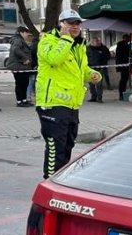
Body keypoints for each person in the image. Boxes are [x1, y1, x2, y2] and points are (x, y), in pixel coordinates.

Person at [35, 9, 102, 179]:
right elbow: (54, 59)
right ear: (61, 24)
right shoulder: (48, 41)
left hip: (72, 102)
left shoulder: (78, 45)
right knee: (55, 146)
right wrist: (65, 39)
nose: (75, 26)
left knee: (68, 143)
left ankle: (61, 179)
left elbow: (81, 69)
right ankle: (49, 181)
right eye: (71, 23)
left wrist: (93, 74)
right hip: (52, 102)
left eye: (78, 23)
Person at [8, 26, 35, 107]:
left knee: (24, 83)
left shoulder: (19, 40)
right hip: (18, 66)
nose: (27, 35)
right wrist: (25, 58)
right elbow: (15, 50)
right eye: (26, 33)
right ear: (21, 32)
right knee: (20, 84)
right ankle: (20, 101)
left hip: (22, 67)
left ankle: (24, 100)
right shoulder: (17, 40)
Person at [86, 37, 111, 102]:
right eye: (94, 41)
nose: (96, 42)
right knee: (91, 84)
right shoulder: (88, 48)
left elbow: (108, 56)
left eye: (97, 41)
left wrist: (103, 63)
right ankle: (93, 97)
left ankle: (99, 98)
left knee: (99, 84)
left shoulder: (103, 48)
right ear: (91, 42)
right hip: (90, 68)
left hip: (99, 68)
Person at [115, 34, 132, 100]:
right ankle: (121, 93)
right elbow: (122, 55)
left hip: (126, 65)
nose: (128, 39)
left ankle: (123, 92)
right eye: (128, 38)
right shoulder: (121, 45)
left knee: (125, 79)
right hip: (123, 65)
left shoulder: (126, 45)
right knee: (123, 79)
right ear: (125, 38)